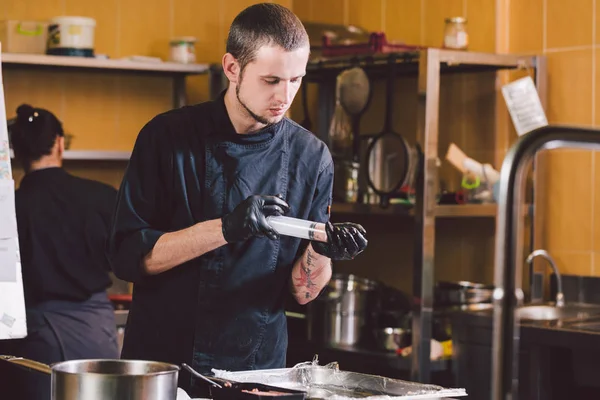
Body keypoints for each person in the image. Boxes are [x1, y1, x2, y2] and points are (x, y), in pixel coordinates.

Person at [107, 3, 368, 396]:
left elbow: (303, 291)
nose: (285, 96)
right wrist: (226, 228)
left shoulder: (311, 157)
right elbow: (130, 256)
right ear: (232, 68)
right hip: (164, 366)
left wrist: (323, 250)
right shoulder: (167, 138)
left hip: (256, 374)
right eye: (271, 80)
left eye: (296, 79)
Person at [0, 104, 119, 400]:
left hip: (30, 337)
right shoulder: (101, 196)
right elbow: (128, 259)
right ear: (59, 142)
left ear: (16, 151)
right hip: (95, 334)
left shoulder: (9, 208)